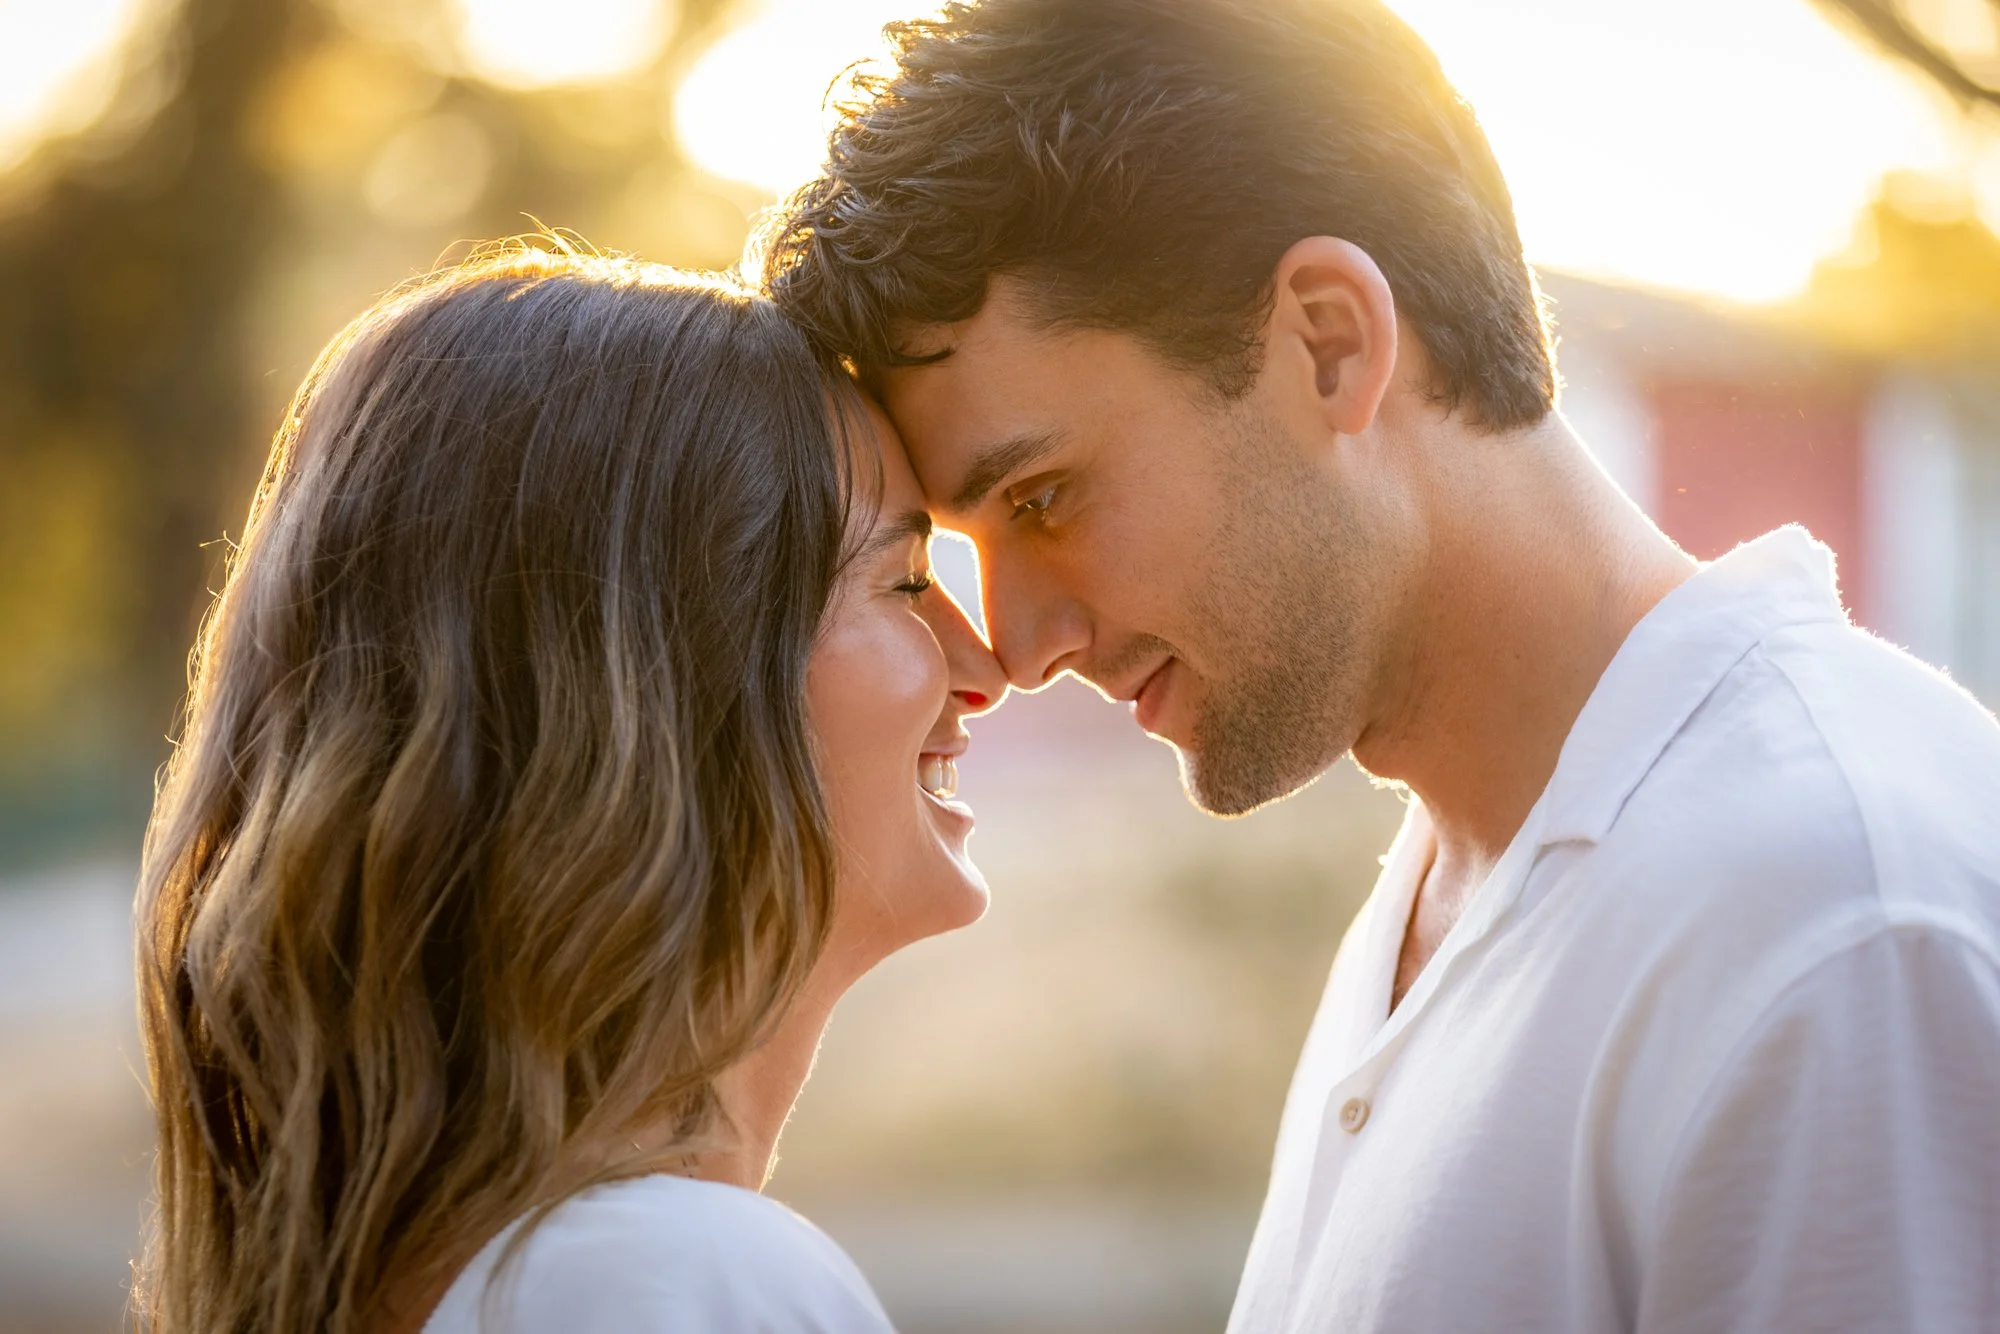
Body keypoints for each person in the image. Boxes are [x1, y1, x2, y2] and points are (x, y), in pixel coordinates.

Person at [760, 0, 2000, 1329]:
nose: (1016, 644)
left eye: (1049, 497)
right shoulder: (1465, 883)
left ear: (1331, 341)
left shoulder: (1832, 920)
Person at [134, 245, 1006, 1333]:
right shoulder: (679, 1282)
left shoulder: (424, 1275)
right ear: (668, 677)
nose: (986, 666)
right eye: (906, 579)